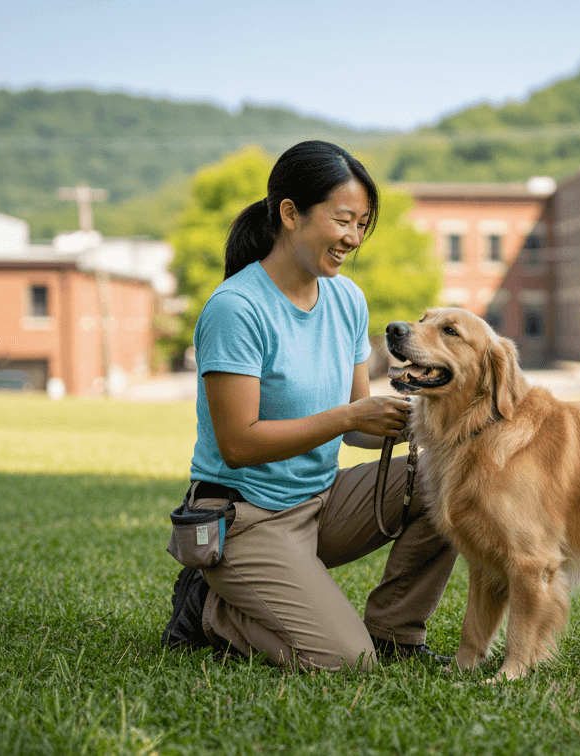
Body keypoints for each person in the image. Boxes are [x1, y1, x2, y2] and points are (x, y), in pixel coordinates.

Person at [163, 140, 457, 671]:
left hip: (321, 503)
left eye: (363, 224)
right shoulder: (237, 308)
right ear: (290, 214)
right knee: (348, 662)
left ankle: (396, 631)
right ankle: (208, 609)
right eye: (343, 220)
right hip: (244, 517)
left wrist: (433, 418)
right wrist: (349, 417)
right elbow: (237, 444)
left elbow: (359, 428)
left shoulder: (346, 299)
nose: (354, 238)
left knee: (453, 481)